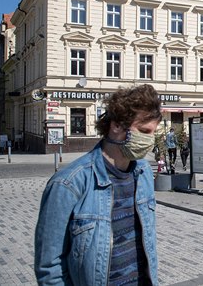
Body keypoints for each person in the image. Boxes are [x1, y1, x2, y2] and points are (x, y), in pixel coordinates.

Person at [34, 84, 161, 285]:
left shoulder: (144, 172)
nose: (149, 140)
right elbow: (49, 267)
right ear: (117, 126)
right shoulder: (68, 183)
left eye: (152, 133)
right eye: (143, 131)